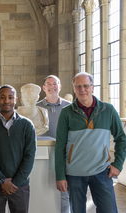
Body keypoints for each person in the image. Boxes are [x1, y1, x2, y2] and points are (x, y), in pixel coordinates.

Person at [55, 72, 126, 213]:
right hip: (74, 173)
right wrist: (60, 176)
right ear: (74, 88)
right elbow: (60, 145)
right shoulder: (66, 112)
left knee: (109, 210)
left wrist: (118, 164)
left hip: (102, 171)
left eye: (86, 86)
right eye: (78, 86)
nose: (82, 90)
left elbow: (121, 138)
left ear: (92, 87)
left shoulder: (108, 110)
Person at [0, 85, 36, 213]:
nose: (6, 101)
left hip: (19, 186)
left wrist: (15, 182)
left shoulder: (27, 125)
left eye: (10, 97)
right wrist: (1, 180)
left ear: (15, 99)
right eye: (3, 97)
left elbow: (30, 156)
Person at [36, 75, 71, 213]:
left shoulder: (69, 107)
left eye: (55, 83)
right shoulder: (36, 107)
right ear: (44, 88)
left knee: (64, 190)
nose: (52, 86)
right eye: (49, 84)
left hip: (64, 154)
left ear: (60, 86)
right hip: (42, 154)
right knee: (42, 186)